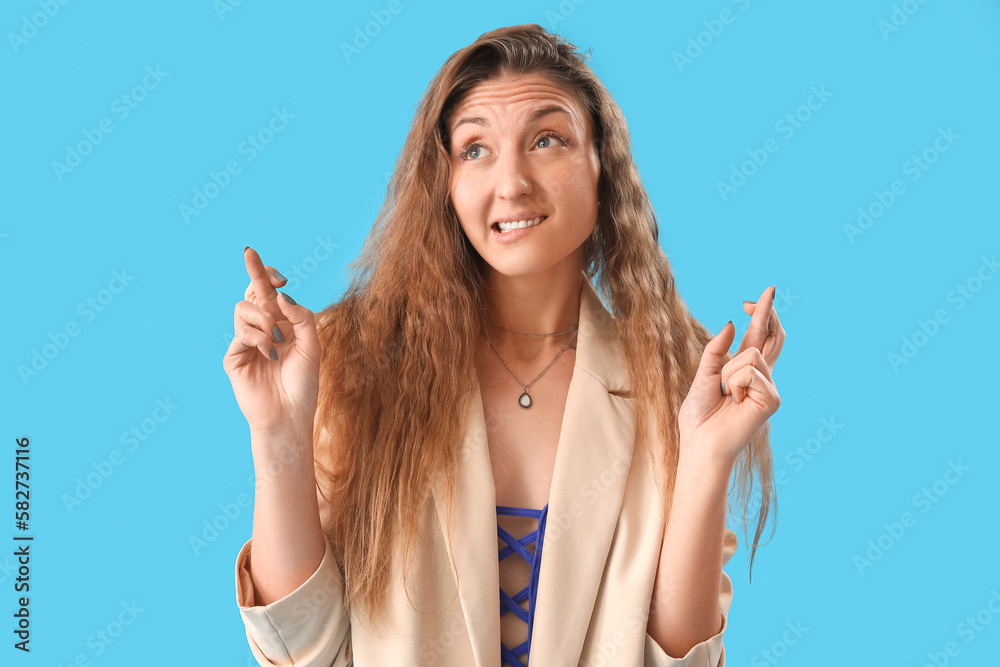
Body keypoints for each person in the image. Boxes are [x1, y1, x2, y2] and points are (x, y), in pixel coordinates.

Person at [224, 23, 783, 667]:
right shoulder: (356, 357)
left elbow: (677, 662)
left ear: (604, 166)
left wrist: (707, 459)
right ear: (446, 185)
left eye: (547, 139)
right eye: (475, 150)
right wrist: (278, 436)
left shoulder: (679, 376)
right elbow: (301, 649)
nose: (511, 182)